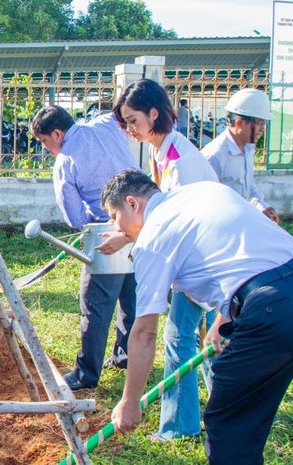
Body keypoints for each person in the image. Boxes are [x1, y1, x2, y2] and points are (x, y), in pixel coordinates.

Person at [103, 170, 293, 465]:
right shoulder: (202, 191)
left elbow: (144, 333)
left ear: (132, 203)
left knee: (228, 425)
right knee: (243, 416)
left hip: (271, 311)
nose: (118, 228)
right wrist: (222, 320)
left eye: (115, 217)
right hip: (279, 290)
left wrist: (129, 402)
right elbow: (235, 251)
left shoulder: (152, 238)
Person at [112, 78, 219, 442]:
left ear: (153, 113)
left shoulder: (182, 159)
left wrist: (128, 235)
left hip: (201, 259)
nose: (129, 128)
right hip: (196, 262)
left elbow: (182, 221)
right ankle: (218, 407)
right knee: (210, 338)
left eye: (132, 119)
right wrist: (126, 233)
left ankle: (179, 425)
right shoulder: (161, 152)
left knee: (178, 338)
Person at [30, 105, 138, 391]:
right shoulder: (105, 124)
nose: (46, 148)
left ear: (57, 133)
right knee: (132, 296)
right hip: (142, 225)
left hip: (108, 233)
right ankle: (126, 356)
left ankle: (85, 374)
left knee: (96, 305)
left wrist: (99, 218)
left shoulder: (65, 162)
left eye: (44, 141)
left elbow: (75, 218)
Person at [201, 88, 279, 223]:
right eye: (260, 123)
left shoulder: (247, 147)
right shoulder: (214, 157)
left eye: (263, 124)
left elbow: (249, 188)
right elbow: (204, 204)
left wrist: (262, 207)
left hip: (242, 224)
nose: (262, 129)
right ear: (239, 123)